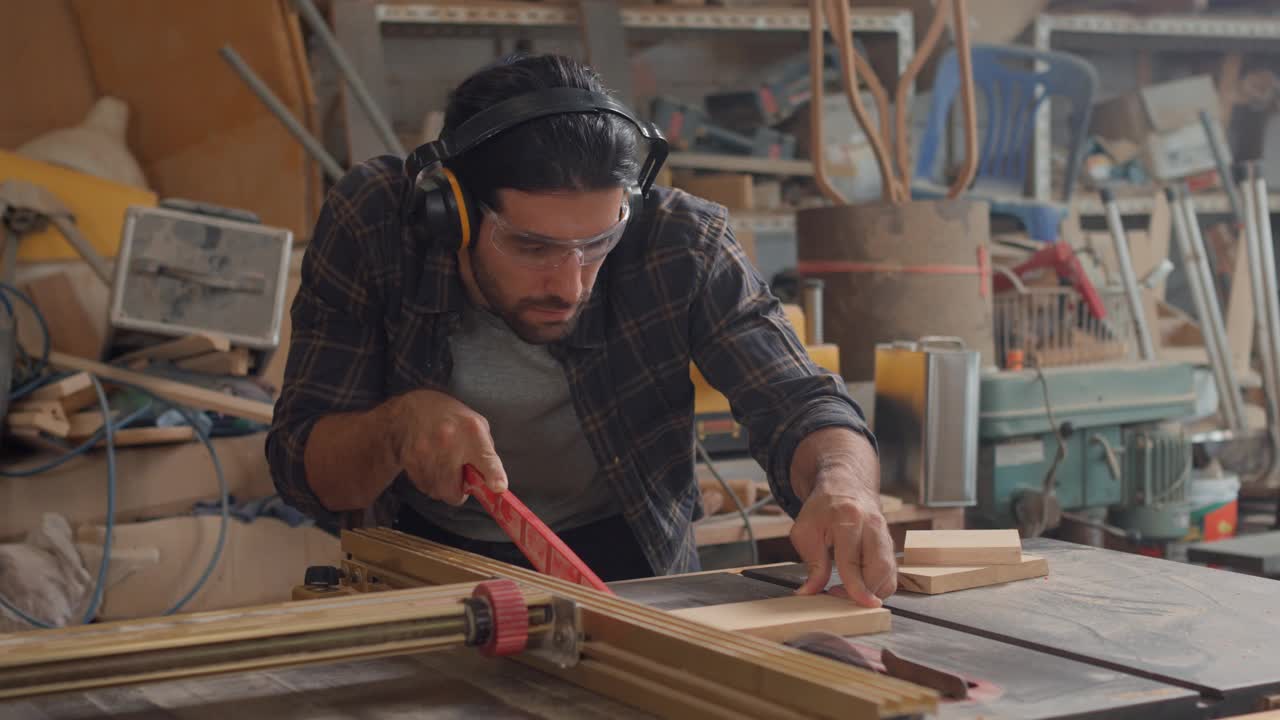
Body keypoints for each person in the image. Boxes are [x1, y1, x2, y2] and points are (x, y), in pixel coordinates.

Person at [266, 53, 896, 606]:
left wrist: (842, 482)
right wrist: (395, 427)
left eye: (597, 243)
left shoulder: (680, 241)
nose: (570, 285)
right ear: (451, 211)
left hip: (627, 573)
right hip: (424, 567)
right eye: (531, 246)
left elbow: (801, 402)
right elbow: (304, 472)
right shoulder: (376, 222)